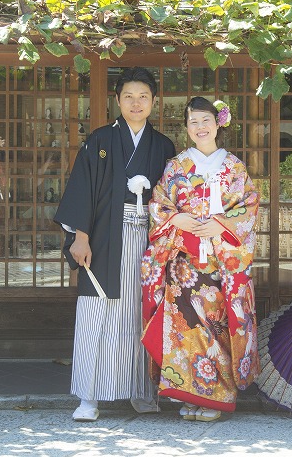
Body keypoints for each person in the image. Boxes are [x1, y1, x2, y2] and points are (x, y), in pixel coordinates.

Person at [54, 67, 176, 422]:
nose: (136, 103)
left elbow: (174, 198)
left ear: (154, 101)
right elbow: (82, 188)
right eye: (129, 97)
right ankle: (89, 397)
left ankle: (142, 391)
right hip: (104, 238)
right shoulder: (100, 140)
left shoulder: (163, 146)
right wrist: (80, 236)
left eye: (143, 97)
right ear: (117, 100)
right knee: (97, 313)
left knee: (142, 312)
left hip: (149, 241)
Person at [141, 96, 260, 422]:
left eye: (206, 120)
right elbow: (159, 203)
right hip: (184, 263)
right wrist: (175, 218)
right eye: (193, 122)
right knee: (186, 328)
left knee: (217, 326)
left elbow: (249, 205)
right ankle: (192, 393)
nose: (200, 127)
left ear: (218, 124)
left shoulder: (233, 166)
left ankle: (217, 396)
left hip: (221, 263)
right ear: (187, 127)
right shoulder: (177, 166)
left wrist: (221, 225)